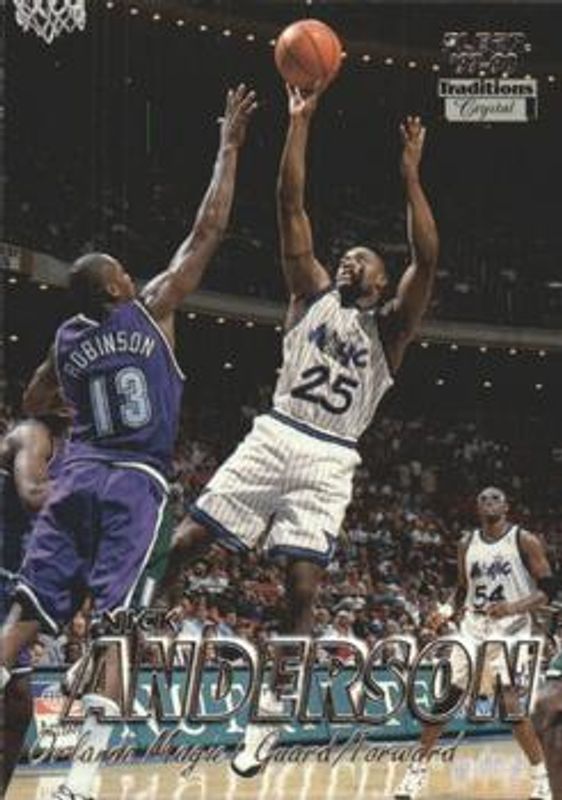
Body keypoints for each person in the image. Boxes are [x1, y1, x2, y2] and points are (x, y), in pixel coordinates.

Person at [159, 83, 439, 776]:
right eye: (345, 256)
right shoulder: (309, 293)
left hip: (331, 455)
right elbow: (290, 204)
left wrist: (410, 177)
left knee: (303, 587)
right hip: (277, 431)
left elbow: (427, 259)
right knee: (183, 545)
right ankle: (139, 650)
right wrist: (299, 122)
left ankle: (272, 709)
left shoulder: (391, 331)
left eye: (362, 260)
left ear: (381, 281)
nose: (348, 261)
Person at [0, 84, 256, 800]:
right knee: (117, 629)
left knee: (25, 617)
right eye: (119, 267)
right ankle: (80, 780)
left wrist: (76, 404)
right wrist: (228, 146)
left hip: (77, 476)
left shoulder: (65, 341)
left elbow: (34, 401)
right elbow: (207, 230)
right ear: (115, 287)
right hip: (133, 485)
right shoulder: (150, 308)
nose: (128, 270)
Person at [393, 486, 553, 800]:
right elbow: (462, 589)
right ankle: (416, 773)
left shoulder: (524, 540)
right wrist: (445, 610)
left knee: (509, 704)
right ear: (477, 508)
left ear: (506, 507)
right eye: (483, 499)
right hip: (473, 627)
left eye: (495, 498)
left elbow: (549, 589)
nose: (489, 502)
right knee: (446, 699)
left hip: (511, 629)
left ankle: (541, 778)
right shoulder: (467, 543)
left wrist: (514, 607)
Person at [0, 415, 67, 793]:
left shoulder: (67, 448)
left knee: (20, 700)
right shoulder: (31, 432)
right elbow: (33, 494)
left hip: (11, 579)